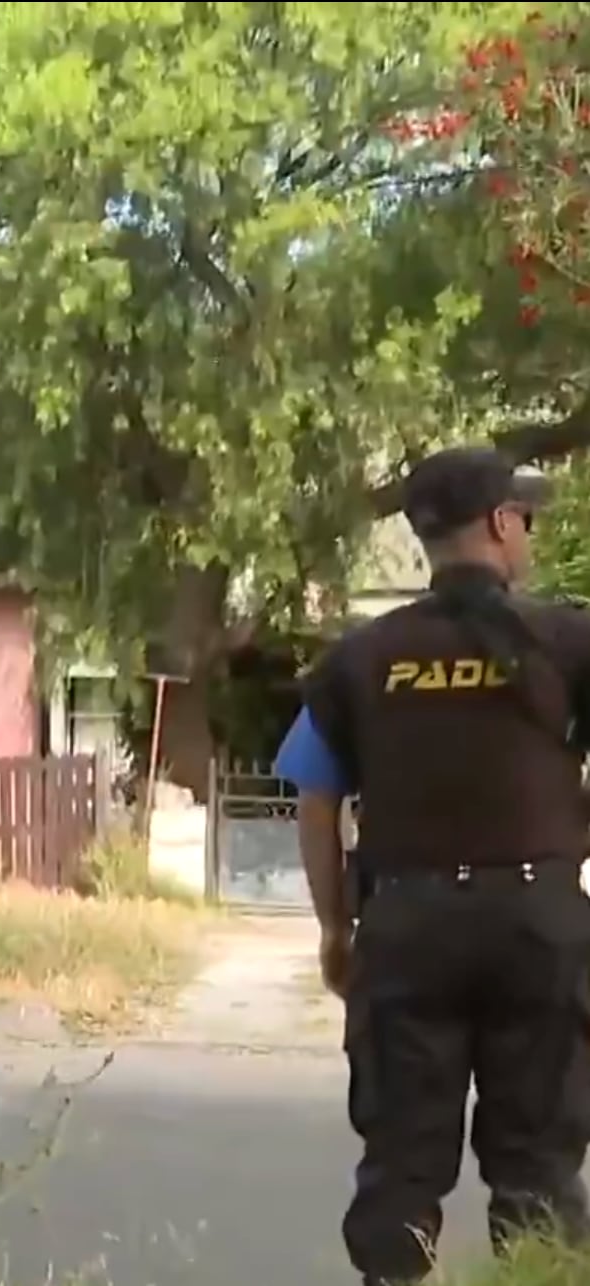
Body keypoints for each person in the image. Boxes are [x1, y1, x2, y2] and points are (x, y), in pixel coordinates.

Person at [275, 445, 590, 1285]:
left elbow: (315, 798)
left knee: (404, 1163)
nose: (527, 532)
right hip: (540, 929)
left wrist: (335, 928)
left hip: (407, 928)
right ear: (497, 523)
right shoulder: (568, 643)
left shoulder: (360, 659)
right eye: (524, 517)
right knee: (538, 1164)